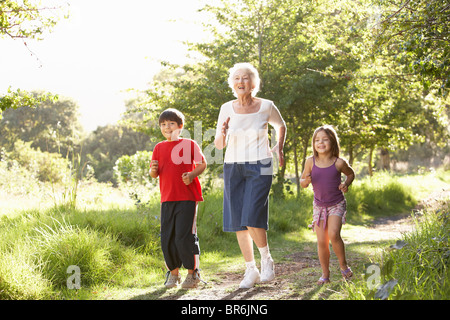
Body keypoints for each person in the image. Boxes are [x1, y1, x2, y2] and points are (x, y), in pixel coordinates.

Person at [214, 62, 286, 289]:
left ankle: (266, 260)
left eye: (245, 78)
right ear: (232, 84)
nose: (241, 82)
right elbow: (218, 145)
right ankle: (250, 269)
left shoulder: (266, 106)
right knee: (238, 220)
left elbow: (281, 125)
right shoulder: (226, 108)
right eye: (236, 78)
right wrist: (222, 133)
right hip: (233, 165)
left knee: (251, 213)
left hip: (261, 163)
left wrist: (279, 147)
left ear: (253, 83)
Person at [150, 108, 207, 289]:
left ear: (180, 126)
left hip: (187, 197)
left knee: (184, 236)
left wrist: (191, 175)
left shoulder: (189, 144)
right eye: (163, 124)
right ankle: (173, 274)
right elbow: (154, 173)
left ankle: (193, 274)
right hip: (167, 199)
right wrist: (152, 170)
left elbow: (202, 164)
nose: (167, 127)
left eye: (171, 124)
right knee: (167, 236)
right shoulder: (159, 147)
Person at [300, 125, 355, 285]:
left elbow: (350, 174)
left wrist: (346, 184)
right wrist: (305, 181)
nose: (321, 142)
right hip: (319, 206)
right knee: (321, 241)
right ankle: (325, 274)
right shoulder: (310, 162)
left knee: (333, 234)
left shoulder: (338, 162)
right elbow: (303, 182)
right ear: (313, 143)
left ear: (332, 142)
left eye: (325, 139)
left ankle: (343, 265)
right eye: (317, 140)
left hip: (336, 204)